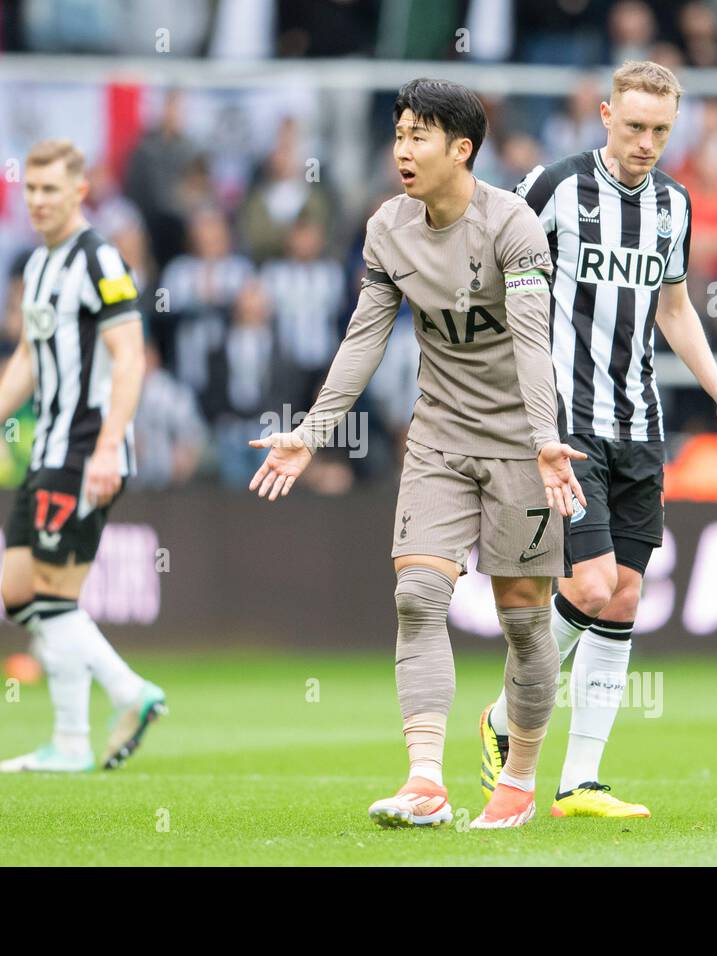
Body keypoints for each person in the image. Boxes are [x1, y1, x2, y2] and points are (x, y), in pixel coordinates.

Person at [248, 78, 586, 830]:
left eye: (420, 136)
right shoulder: (386, 229)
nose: (403, 149)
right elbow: (365, 335)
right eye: (399, 133)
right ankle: (425, 780)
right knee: (416, 596)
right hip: (438, 434)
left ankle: (520, 780)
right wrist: (312, 431)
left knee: (525, 621)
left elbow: (532, 342)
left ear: (462, 149)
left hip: (520, 445)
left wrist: (544, 439)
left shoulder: (514, 227)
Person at [483, 60, 717, 819]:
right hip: (567, 424)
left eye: (662, 131)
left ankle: (579, 781)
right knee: (592, 584)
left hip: (641, 423)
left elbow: (673, 308)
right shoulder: (554, 186)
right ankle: (503, 721)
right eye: (634, 126)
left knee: (625, 594)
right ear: (605, 115)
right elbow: (496, 272)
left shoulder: (674, 204)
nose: (646, 143)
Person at [0, 139, 165, 773]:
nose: (39, 201)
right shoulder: (40, 265)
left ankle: (113, 707)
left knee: (52, 593)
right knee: (21, 593)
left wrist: (105, 448)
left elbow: (131, 359)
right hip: (46, 447)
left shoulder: (101, 260)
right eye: (31, 189)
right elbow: (26, 358)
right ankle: (82, 731)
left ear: (79, 192)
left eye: (51, 190)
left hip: (85, 449)